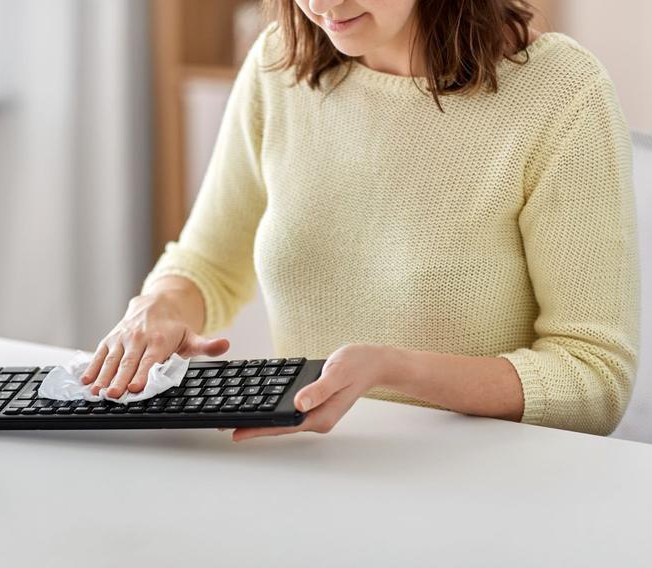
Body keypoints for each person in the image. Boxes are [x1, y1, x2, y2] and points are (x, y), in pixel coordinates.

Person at [82, 0, 639, 440]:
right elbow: (207, 262)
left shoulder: (561, 94)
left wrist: (394, 370)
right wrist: (158, 306)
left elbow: (593, 378)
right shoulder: (280, 64)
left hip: (485, 488)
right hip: (314, 470)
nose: (320, 5)